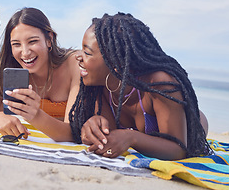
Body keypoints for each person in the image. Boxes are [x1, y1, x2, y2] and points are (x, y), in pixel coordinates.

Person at [69, 12, 212, 160]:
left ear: (115, 63)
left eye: (87, 52)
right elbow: (110, 137)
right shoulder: (100, 87)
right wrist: (94, 127)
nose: (78, 56)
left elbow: (178, 150)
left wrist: (132, 137)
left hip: (192, 126)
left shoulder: (159, 84)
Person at [0, 7, 80, 141]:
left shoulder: (74, 64)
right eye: (16, 44)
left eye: (32, 41)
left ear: (49, 39)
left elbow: (72, 133)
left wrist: (35, 115)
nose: (25, 52)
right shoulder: (13, 69)